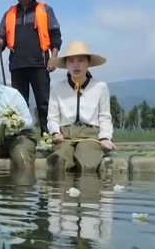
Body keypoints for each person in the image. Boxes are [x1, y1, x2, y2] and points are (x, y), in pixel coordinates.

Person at [0, 0, 62, 135]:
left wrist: (54, 57)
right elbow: (1, 41)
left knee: (44, 102)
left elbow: (55, 35)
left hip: (40, 63)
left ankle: (48, 135)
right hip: (17, 65)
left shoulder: (44, 9)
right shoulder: (9, 14)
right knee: (19, 103)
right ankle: (22, 136)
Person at [46, 41, 115, 173]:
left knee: (87, 161)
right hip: (65, 135)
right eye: (71, 61)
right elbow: (52, 117)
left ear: (89, 63)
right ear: (66, 64)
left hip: (90, 136)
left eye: (81, 60)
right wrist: (55, 132)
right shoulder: (57, 87)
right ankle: (59, 192)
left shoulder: (100, 87)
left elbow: (105, 117)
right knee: (60, 160)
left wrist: (106, 137)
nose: (76, 65)